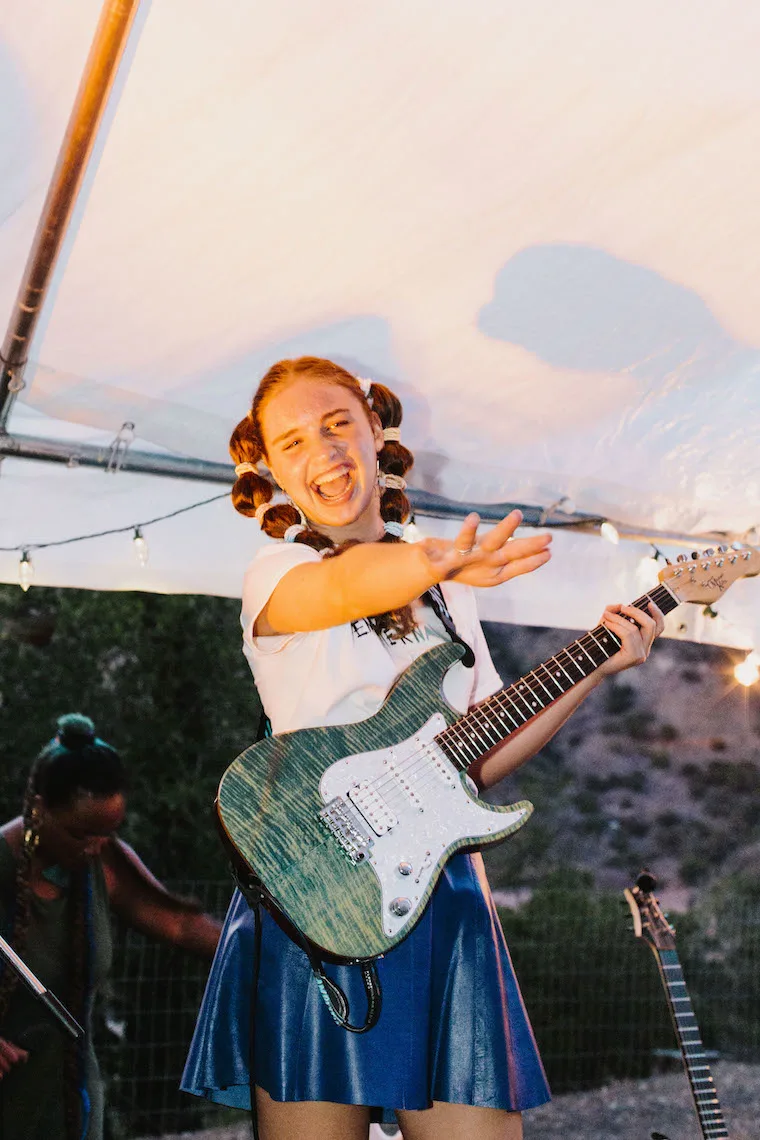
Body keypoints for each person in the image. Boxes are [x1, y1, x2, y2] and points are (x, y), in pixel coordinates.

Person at [182, 355, 664, 1140]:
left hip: (440, 892)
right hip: (318, 892)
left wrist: (597, 664)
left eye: (339, 425)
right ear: (269, 466)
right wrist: (434, 557)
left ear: (375, 430)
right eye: (294, 441)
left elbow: (482, 755)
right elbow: (346, 588)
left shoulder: (448, 587)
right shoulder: (278, 574)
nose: (325, 453)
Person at [0, 713, 221, 1140]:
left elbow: (179, 925)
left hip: (70, 1107)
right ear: (39, 809)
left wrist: (274, 947)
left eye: (109, 832)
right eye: (82, 833)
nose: (96, 847)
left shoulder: (102, 860)